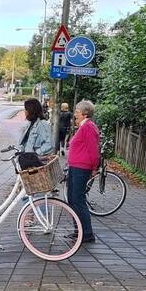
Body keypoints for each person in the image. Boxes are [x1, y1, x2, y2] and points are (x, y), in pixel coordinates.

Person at [66, 100, 100, 244]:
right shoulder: (83, 126)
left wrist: (95, 167)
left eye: (77, 112)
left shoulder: (88, 127)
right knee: (72, 198)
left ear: (85, 114)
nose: (75, 114)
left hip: (81, 168)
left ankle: (87, 234)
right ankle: (79, 231)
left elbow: (94, 150)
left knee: (78, 199)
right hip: (75, 167)